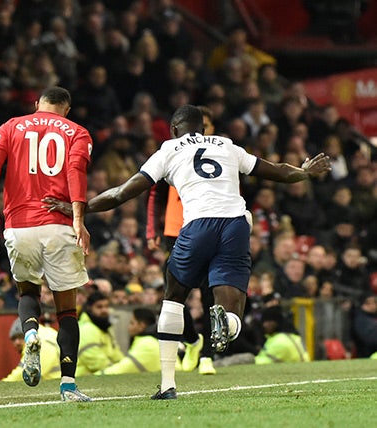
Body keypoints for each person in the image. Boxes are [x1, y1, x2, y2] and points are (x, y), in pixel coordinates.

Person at [44, 104, 331, 400]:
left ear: (173, 130)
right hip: (235, 224)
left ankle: (168, 384)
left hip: (198, 225)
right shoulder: (227, 145)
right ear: (204, 129)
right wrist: (304, 172)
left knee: (174, 297)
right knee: (231, 300)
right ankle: (228, 323)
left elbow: (122, 192)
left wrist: (80, 208)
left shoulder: (169, 149)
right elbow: (276, 172)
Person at [0, 86, 92, 402]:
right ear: (66, 110)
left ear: (36, 104)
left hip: (19, 226)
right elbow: (75, 172)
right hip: (58, 225)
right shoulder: (77, 132)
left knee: (27, 290)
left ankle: (29, 332)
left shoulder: (10, 126)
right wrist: (79, 220)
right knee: (66, 309)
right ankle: (68, 386)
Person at [146, 105, 216, 375]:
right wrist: (153, 228)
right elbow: (156, 194)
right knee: (174, 291)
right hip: (176, 230)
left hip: (209, 226)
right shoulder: (171, 154)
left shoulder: (219, 154)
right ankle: (192, 340)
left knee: (210, 292)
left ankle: (208, 354)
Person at [95, 307, 160, 375]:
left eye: (132, 323)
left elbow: (123, 368)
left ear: (141, 326)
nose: (128, 327)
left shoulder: (147, 343)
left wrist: (97, 375)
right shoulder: (151, 341)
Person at [75, 291, 124, 376]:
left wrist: (123, 366)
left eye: (106, 306)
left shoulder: (105, 329)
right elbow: (93, 360)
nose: (104, 310)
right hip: (84, 378)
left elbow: (116, 353)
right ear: (89, 308)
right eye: (99, 307)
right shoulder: (86, 329)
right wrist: (116, 370)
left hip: (100, 375)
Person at [3, 317, 61, 382]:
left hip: (57, 383)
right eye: (14, 339)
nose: (17, 342)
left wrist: (4, 383)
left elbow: (26, 372)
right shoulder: (49, 332)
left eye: (21, 337)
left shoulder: (34, 342)